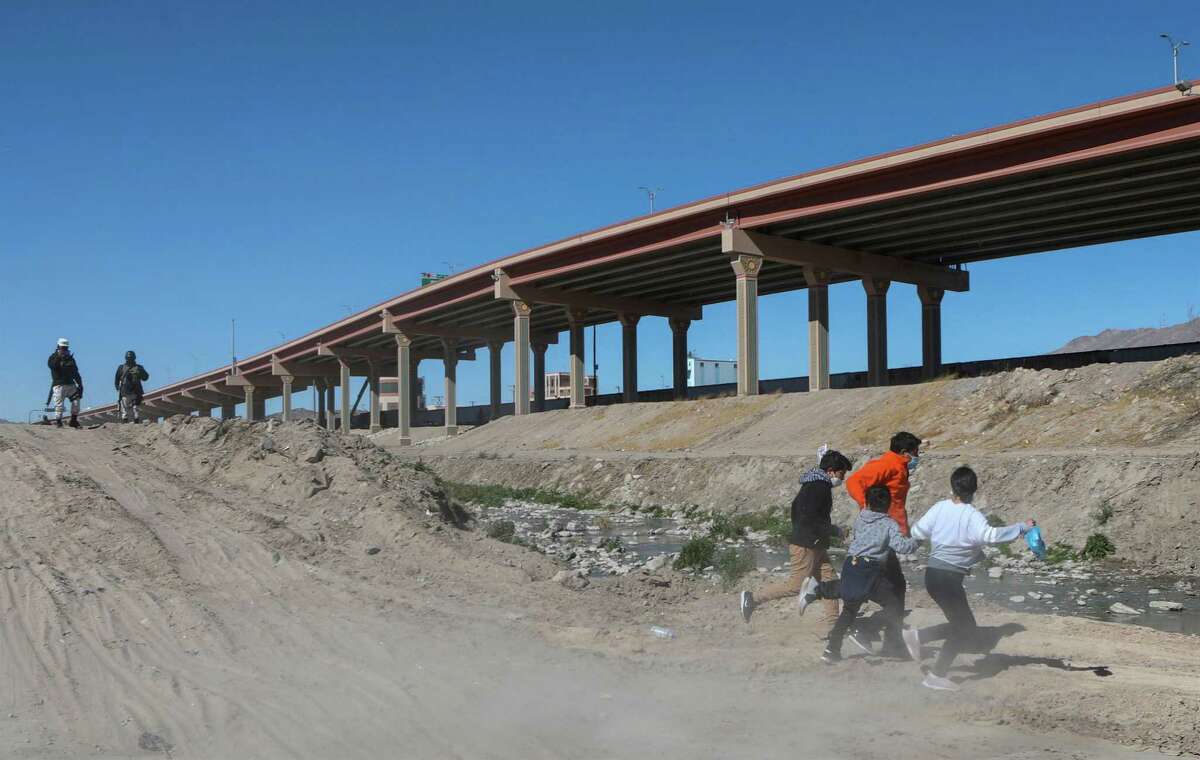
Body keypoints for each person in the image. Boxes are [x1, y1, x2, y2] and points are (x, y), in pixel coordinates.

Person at [902, 466, 1033, 691]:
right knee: (964, 628)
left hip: (932, 575)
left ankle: (918, 636)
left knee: (962, 625)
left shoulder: (939, 507)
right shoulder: (972, 514)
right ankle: (936, 674)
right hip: (948, 579)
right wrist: (1021, 527)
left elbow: (917, 532)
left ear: (953, 486)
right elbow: (990, 536)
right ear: (974, 489)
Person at [801, 485, 919, 664]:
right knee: (894, 606)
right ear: (888, 505)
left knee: (849, 608)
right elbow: (902, 547)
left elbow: (858, 539)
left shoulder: (861, 518)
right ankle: (866, 627)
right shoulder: (889, 524)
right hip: (868, 571)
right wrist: (918, 539)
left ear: (868, 503)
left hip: (851, 564)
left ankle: (831, 650)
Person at [739, 449, 853, 624]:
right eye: (841, 473)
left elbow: (798, 511)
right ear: (830, 471)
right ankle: (752, 598)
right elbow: (811, 518)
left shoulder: (813, 484)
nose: (842, 478)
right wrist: (834, 531)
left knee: (830, 581)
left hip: (814, 543)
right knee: (796, 586)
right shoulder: (819, 487)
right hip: (806, 544)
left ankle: (834, 624)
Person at [844, 431, 921, 646]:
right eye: (916, 452)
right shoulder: (888, 465)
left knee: (885, 585)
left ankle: (888, 639)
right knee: (895, 587)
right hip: (884, 536)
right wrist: (866, 507)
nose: (918, 457)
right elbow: (854, 481)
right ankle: (875, 633)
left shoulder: (899, 467)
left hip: (889, 533)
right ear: (905, 452)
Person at [47, 337, 84, 428]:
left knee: (76, 402)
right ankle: (59, 422)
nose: (64, 350)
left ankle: (73, 421)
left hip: (71, 384)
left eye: (66, 348)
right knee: (59, 405)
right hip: (59, 385)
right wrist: (59, 357)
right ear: (58, 347)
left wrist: (80, 384)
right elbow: (52, 366)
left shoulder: (70, 359)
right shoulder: (53, 357)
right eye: (62, 348)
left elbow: (75, 372)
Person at [114, 350, 150, 423]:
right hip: (128, 392)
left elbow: (145, 377)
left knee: (132, 409)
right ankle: (130, 421)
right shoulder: (122, 368)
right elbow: (117, 379)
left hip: (133, 392)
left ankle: (131, 421)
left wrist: (118, 388)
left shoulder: (138, 368)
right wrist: (118, 388)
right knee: (130, 409)